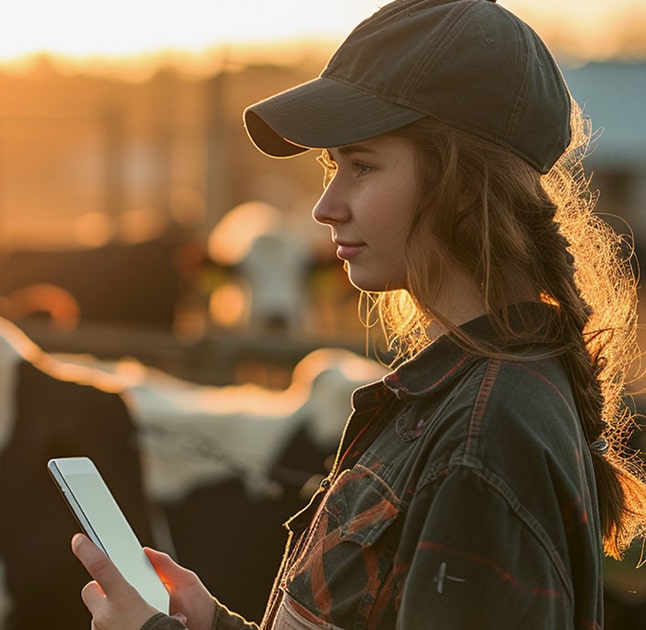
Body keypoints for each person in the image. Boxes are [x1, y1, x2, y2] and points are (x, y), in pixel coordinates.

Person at [69, 0, 646, 628]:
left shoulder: (482, 445)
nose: (325, 205)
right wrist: (210, 624)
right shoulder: (467, 395)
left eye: (363, 165)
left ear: (462, 183)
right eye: (331, 166)